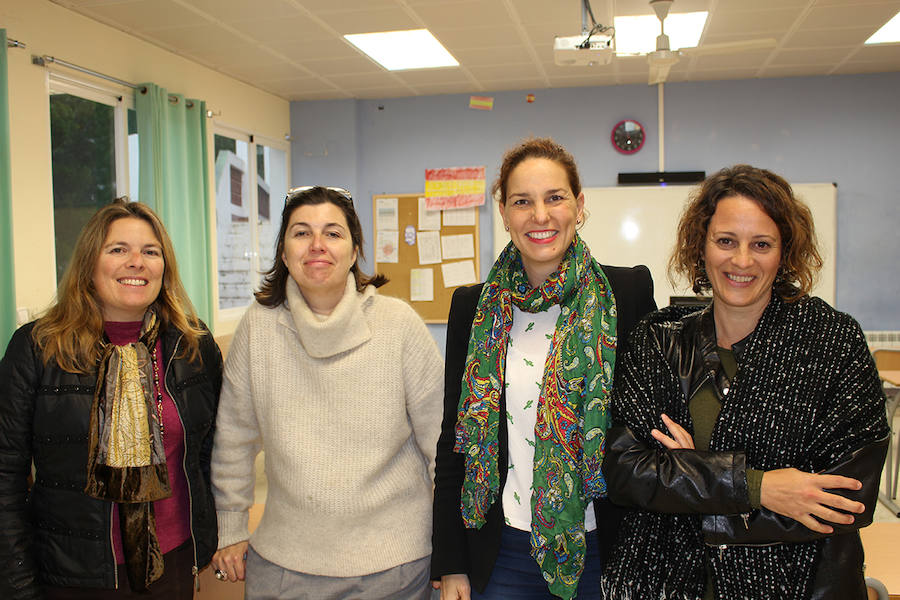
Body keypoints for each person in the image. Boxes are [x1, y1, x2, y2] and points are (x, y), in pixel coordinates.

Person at [600, 165, 890, 600]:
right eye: (726, 241)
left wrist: (692, 473)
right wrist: (761, 486)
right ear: (701, 247)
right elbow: (624, 472)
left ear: (784, 251)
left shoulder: (832, 343)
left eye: (761, 244)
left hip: (801, 585)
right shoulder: (658, 342)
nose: (741, 260)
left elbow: (845, 500)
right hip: (667, 583)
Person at [431, 138, 657, 600]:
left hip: (603, 543)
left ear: (578, 205)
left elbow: (648, 427)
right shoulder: (472, 307)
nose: (540, 215)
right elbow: (453, 441)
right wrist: (452, 561)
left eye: (555, 197)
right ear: (504, 211)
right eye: (522, 202)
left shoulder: (626, 292)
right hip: (503, 549)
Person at [209, 186, 444, 599]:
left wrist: (451, 547)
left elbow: (442, 443)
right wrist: (230, 525)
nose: (317, 245)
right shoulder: (258, 328)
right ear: (283, 253)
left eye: (333, 233)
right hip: (284, 563)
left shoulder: (399, 326)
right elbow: (234, 437)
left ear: (355, 252)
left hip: (395, 566)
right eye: (301, 233)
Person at [0, 199, 223, 600]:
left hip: (172, 563)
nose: (136, 262)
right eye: (118, 249)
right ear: (89, 263)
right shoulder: (38, 348)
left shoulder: (192, 344)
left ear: (164, 267)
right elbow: (5, 475)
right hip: (70, 573)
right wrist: (17, 582)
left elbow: (210, 452)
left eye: (150, 252)